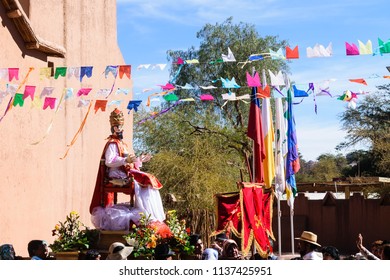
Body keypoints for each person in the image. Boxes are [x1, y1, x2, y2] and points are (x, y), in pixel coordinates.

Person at [90, 108, 165, 226]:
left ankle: (150, 215)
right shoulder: (112, 144)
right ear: (115, 128)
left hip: (125, 172)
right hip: (116, 174)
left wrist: (140, 160)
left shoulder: (122, 144)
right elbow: (109, 161)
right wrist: (125, 159)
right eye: (119, 127)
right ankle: (145, 214)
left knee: (150, 179)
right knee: (144, 181)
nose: (122, 130)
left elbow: (130, 162)